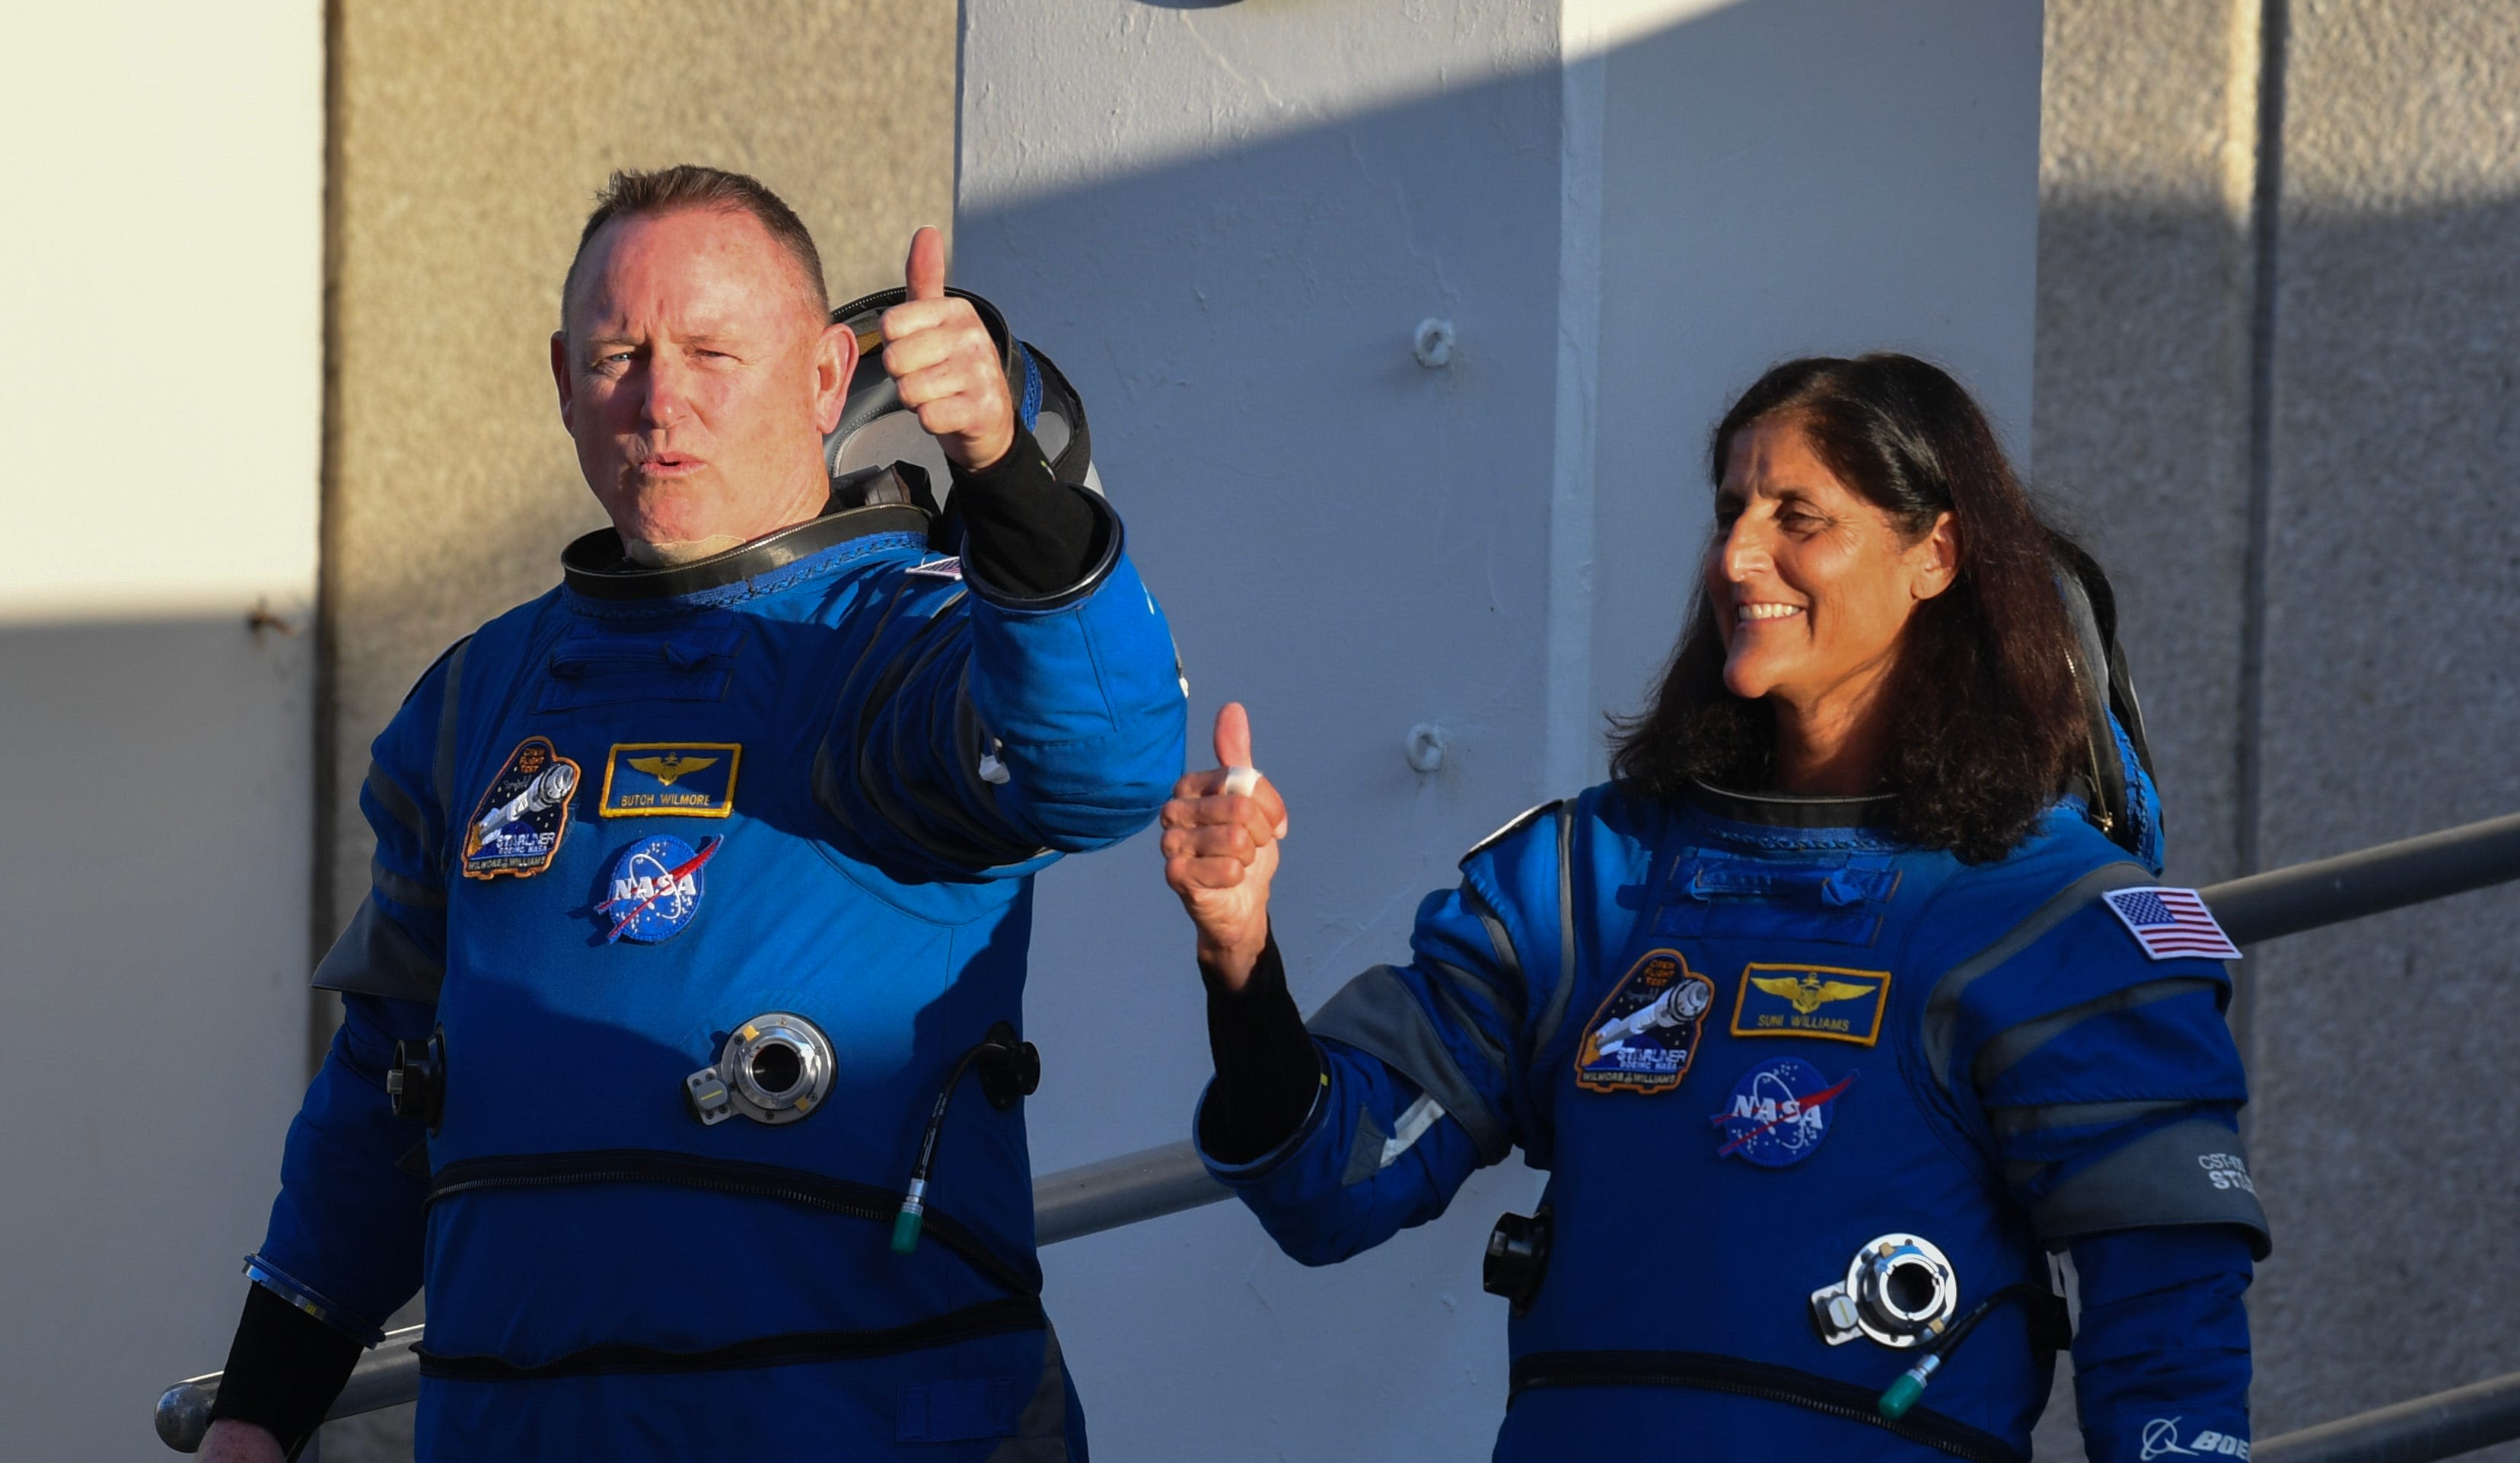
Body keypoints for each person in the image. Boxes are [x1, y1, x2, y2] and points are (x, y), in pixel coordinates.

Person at [201, 166, 1187, 1461]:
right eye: (621, 354)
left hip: (856, 1423)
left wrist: (1003, 472)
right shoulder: (480, 699)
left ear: (830, 380)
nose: (662, 402)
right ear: (563, 379)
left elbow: (1102, 763)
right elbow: (386, 1086)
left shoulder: (907, 641)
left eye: (715, 352)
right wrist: (260, 1410)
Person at [1161, 355, 2263, 1463]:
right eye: (1732, 510)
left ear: (1934, 554)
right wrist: (1241, 957)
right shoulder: (1592, 882)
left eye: (1799, 516)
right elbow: (1329, 1184)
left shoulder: (2051, 913)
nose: (1739, 557)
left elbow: (2170, 1340)